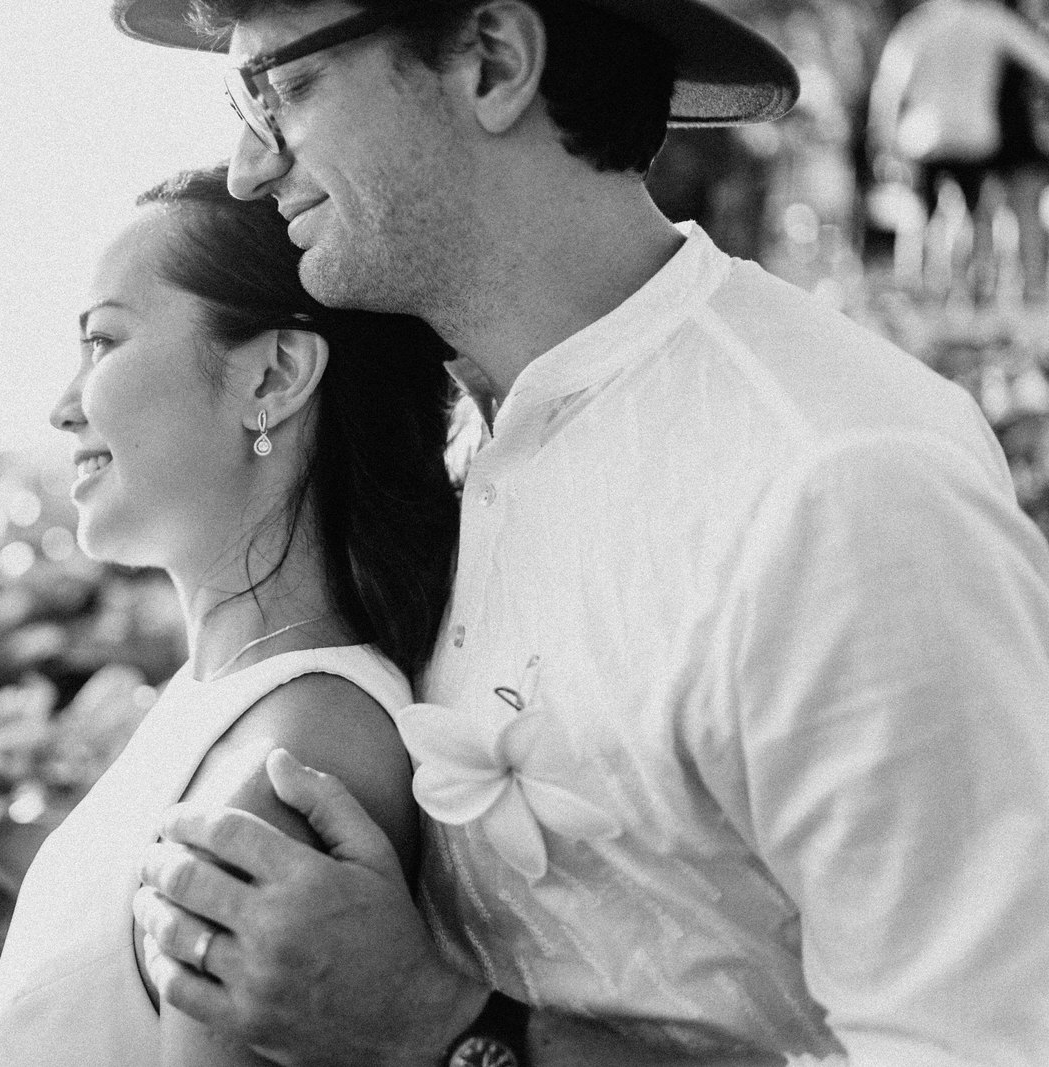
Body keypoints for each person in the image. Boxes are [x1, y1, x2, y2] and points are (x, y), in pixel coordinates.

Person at [115, 0, 1049, 1064]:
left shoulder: (838, 488)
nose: (246, 168)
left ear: (493, 61)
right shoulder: (453, 444)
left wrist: (435, 1026)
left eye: (281, 90)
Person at [0, 164, 462, 1065]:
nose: (63, 408)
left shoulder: (295, 762)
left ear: (273, 375)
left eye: (103, 341)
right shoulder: (218, 703)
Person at [868, 0, 1049, 215]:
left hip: (926, 140)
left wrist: (882, 143)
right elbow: (1041, 59)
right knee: (975, 215)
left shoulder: (921, 23)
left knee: (923, 217)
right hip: (974, 139)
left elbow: (888, 88)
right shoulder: (991, 19)